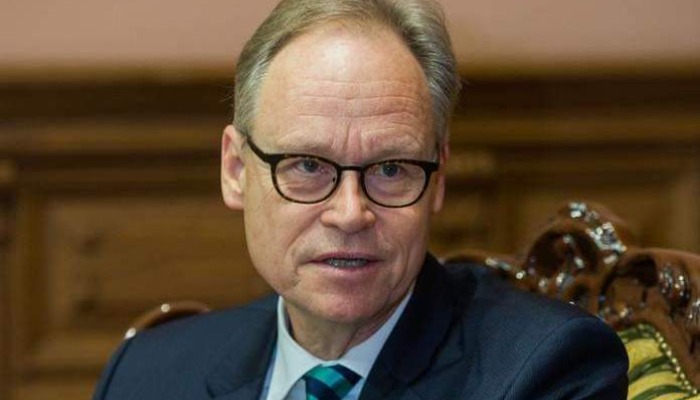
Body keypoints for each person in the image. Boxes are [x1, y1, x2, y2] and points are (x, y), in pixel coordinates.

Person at [93, 0, 628, 399]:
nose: (351, 213)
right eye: (307, 165)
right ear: (235, 170)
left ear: (437, 178)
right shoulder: (147, 375)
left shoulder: (546, 371)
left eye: (391, 169)